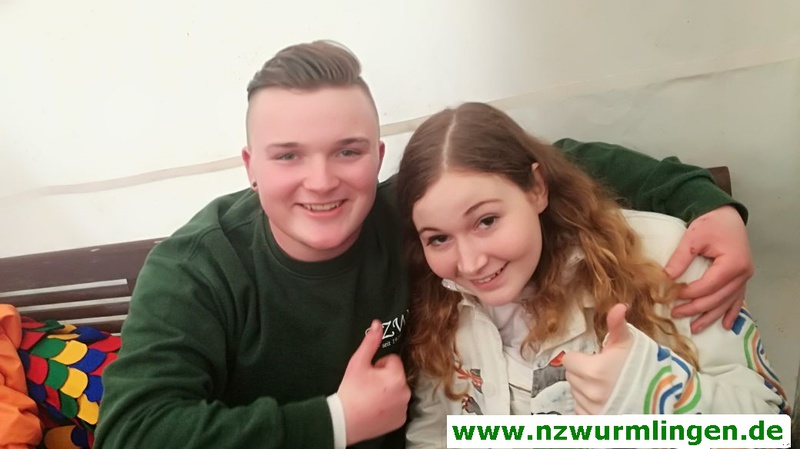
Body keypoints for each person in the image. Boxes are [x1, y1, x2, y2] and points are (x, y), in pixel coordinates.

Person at [95, 41, 754, 449]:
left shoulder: (410, 215)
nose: (321, 181)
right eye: (288, 155)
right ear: (250, 166)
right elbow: (130, 432)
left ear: (376, 158)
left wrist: (707, 204)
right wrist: (335, 420)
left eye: (347, 151)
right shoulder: (195, 269)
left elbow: (539, 165)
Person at [396, 102, 787, 448]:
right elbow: (437, 435)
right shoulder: (440, 297)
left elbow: (768, 429)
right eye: (439, 238)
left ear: (536, 189)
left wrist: (649, 391)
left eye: (486, 220)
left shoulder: (662, 255)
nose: (469, 263)